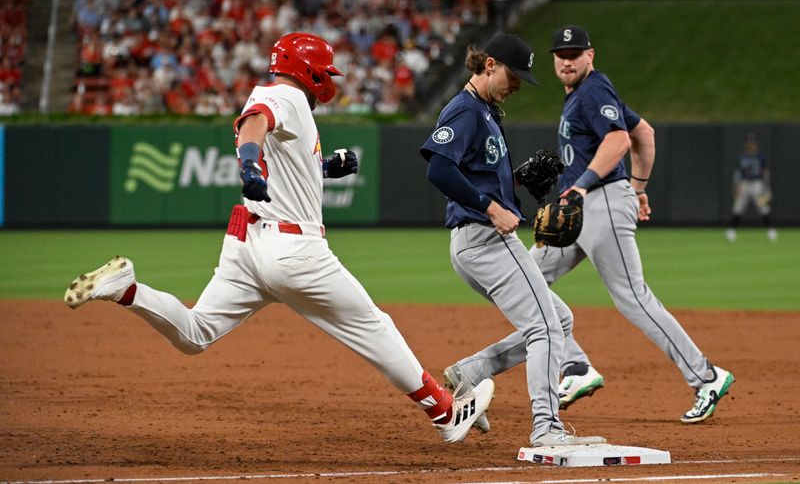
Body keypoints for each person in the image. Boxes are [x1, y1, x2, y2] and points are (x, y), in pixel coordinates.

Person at [64, 31, 494, 445]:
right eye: (325, 70)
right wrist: (248, 165)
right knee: (375, 328)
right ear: (309, 71)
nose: (329, 78)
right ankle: (445, 413)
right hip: (294, 251)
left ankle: (128, 291)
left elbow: (281, 157)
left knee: (196, 333)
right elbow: (254, 123)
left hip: (247, 245)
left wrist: (322, 167)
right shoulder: (285, 94)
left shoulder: (291, 105)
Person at [441, 26, 735, 425]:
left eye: (575, 53)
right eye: (560, 53)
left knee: (631, 296)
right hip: (582, 206)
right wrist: (640, 188)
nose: (567, 59)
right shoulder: (582, 95)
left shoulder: (593, 90)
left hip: (598, 203)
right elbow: (644, 134)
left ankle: (706, 377)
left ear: (590, 56)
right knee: (532, 288)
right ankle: (571, 367)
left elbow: (619, 141)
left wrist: (592, 188)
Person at [420, 32, 605, 447]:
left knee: (558, 320)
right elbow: (439, 170)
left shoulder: (486, 112)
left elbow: (473, 171)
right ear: (489, 65)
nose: (518, 84)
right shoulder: (466, 111)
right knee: (546, 329)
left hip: (478, 243)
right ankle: (546, 429)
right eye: (513, 74)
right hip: (485, 239)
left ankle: (470, 373)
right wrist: (489, 206)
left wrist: (516, 179)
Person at [726, 133, 776, 242]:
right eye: (749, 143)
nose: (751, 145)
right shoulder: (741, 157)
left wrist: (766, 186)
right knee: (738, 207)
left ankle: (771, 230)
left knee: (763, 207)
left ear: (756, 144)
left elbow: (765, 172)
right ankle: (731, 231)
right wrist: (736, 186)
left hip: (757, 184)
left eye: (752, 143)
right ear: (746, 144)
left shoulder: (761, 157)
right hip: (744, 183)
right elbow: (737, 173)